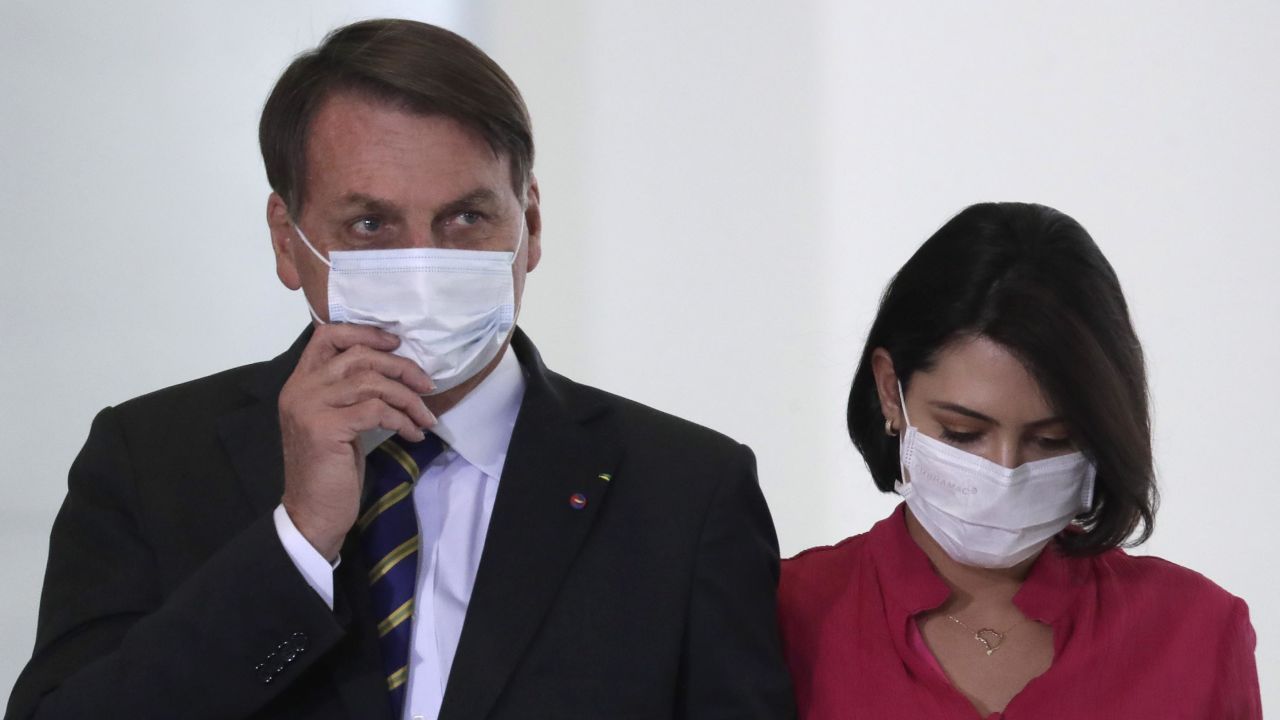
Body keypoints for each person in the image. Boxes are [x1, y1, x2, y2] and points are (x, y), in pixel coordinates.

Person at [6, 19, 794, 720]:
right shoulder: (150, 460)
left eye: (466, 218)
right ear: (288, 241)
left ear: (532, 224)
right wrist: (299, 543)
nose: (424, 262)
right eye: (371, 223)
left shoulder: (686, 491)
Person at [778, 203, 1261, 718]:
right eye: (964, 433)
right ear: (890, 393)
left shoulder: (1195, 633)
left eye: (1052, 440)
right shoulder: (785, 615)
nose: (1004, 472)